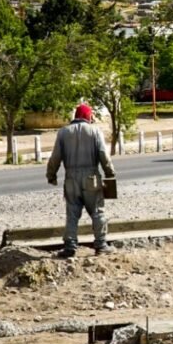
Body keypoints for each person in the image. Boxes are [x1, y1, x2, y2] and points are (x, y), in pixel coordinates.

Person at [47, 103, 115, 258]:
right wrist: (110, 173)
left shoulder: (63, 133)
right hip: (91, 177)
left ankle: (70, 247)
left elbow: (55, 157)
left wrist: (51, 175)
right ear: (88, 116)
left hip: (71, 179)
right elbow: (104, 155)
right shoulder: (95, 131)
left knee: (72, 213)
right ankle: (101, 245)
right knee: (97, 211)